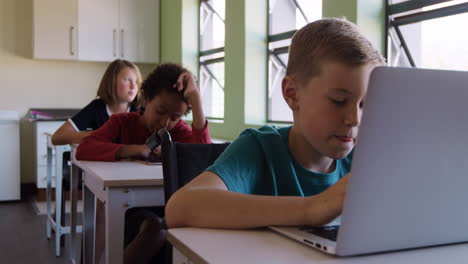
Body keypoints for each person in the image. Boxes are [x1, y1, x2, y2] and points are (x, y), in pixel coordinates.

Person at [165, 18, 386, 229]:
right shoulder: (260, 149)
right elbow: (180, 208)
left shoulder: (366, 158)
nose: (354, 119)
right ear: (292, 94)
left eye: (365, 104)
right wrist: (312, 208)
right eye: (339, 101)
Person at [76, 62, 211, 263]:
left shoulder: (178, 131)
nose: (166, 122)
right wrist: (133, 150)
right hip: (129, 210)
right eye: (160, 111)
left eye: (175, 117)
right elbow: (84, 148)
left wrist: (196, 100)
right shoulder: (121, 122)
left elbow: (203, 157)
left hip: (172, 208)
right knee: (155, 229)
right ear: (146, 98)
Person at [52, 59, 142, 145]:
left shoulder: (141, 110)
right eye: (127, 80)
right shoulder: (96, 108)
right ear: (112, 82)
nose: (133, 86)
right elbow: (57, 137)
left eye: (136, 81)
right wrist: (97, 134)